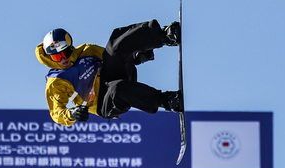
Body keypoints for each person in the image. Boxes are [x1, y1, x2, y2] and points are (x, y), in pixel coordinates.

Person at [34, 22, 181, 127]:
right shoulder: (56, 81)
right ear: (50, 58)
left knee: (114, 45)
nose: (63, 59)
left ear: (70, 47)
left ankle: (165, 36)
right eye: (57, 57)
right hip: (104, 102)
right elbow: (56, 112)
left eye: (65, 53)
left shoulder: (87, 50)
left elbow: (114, 57)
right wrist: (72, 114)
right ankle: (167, 101)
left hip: (112, 75)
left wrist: (136, 57)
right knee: (117, 88)